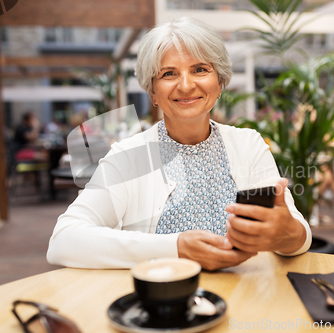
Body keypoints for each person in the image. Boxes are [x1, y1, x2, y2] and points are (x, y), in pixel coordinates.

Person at [47, 17, 311, 271]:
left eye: (200, 69)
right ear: (152, 92)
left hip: (245, 296)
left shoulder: (248, 145)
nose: (186, 85)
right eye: (169, 74)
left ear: (219, 84)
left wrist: (287, 234)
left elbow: (298, 236)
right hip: (163, 302)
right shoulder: (127, 157)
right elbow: (63, 241)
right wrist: (174, 247)